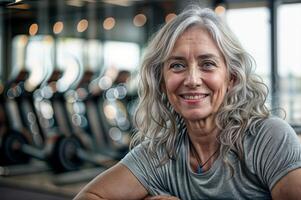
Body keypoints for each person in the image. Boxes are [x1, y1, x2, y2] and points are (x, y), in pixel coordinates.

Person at [74, 5, 301, 200]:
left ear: (231, 78)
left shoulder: (267, 139)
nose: (192, 80)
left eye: (208, 64)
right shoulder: (160, 153)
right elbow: (89, 196)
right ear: (161, 81)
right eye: (177, 65)